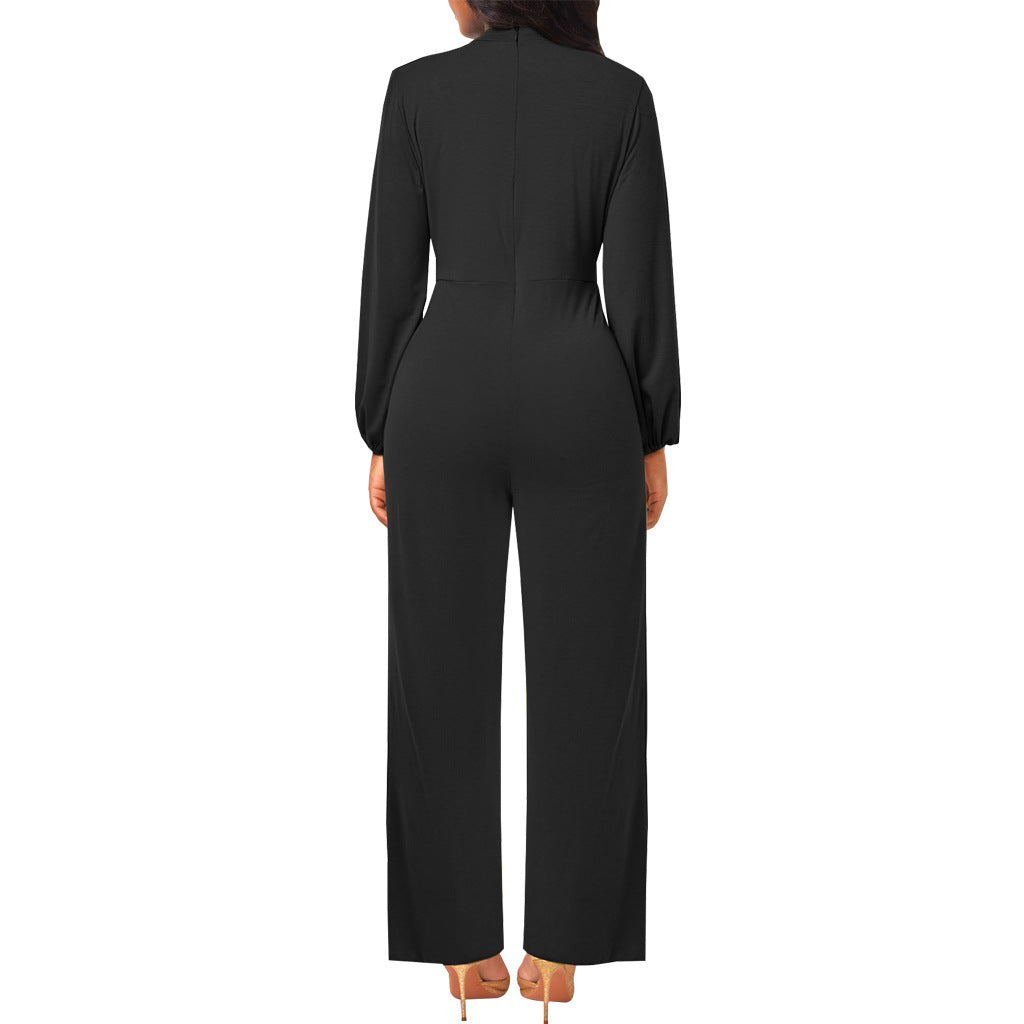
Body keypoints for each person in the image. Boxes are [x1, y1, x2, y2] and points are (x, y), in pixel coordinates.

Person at [354, 1, 680, 1019]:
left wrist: (379, 423)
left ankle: (462, 954)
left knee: (435, 670)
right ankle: (562, 952)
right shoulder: (620, 98)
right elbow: (640, 282)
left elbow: (391, 275)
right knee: (593, 672)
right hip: (580, 387)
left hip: (440, 387)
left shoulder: (415, 92)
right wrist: (651, 430)